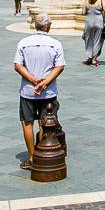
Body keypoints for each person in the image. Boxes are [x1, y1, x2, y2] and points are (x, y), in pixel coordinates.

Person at [13, 13, 67, 165]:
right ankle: (43, 153)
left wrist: (33, 80)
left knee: (27, 123)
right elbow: (59, 67)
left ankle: (31, 157)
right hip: (48, 91)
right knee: (45, 123)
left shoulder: (24, 43)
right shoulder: (55, 44)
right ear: (48, 26)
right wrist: (45, 82)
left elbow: (18, 65)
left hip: (28, 90)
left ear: (35, 25)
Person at [81, 0, 105, 67]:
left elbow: (83, 12)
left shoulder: (86, 0)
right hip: (99, 23)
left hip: (89, 22)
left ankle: (89, 57)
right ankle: (94, 60)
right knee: (97, 40)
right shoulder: (101, 0)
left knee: (88, 40)